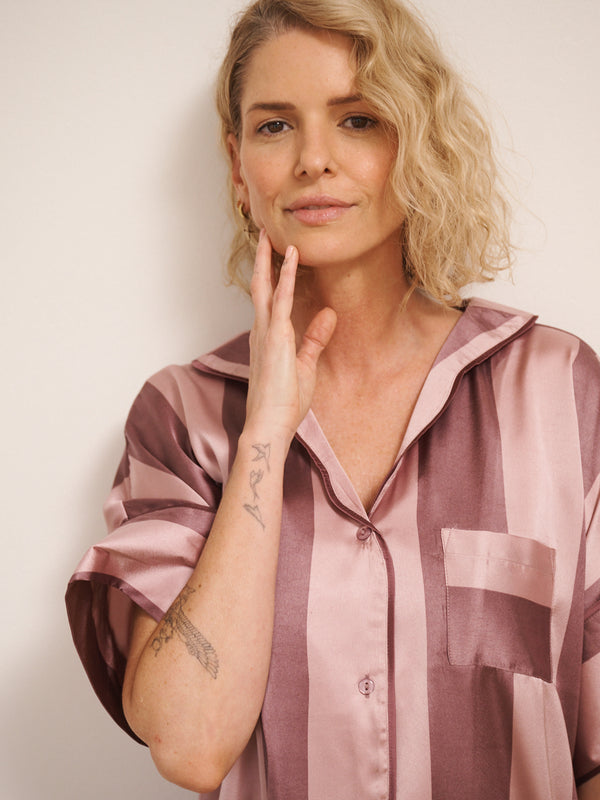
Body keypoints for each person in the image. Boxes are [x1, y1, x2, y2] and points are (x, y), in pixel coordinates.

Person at [66, 0, 600, 797]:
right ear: (238, 165)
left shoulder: (558, 389)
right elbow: (190, 747)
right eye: (275, 126)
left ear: (414, 140)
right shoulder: (183, 419)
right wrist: (264, 433)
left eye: (357, 119)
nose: (314, 159)